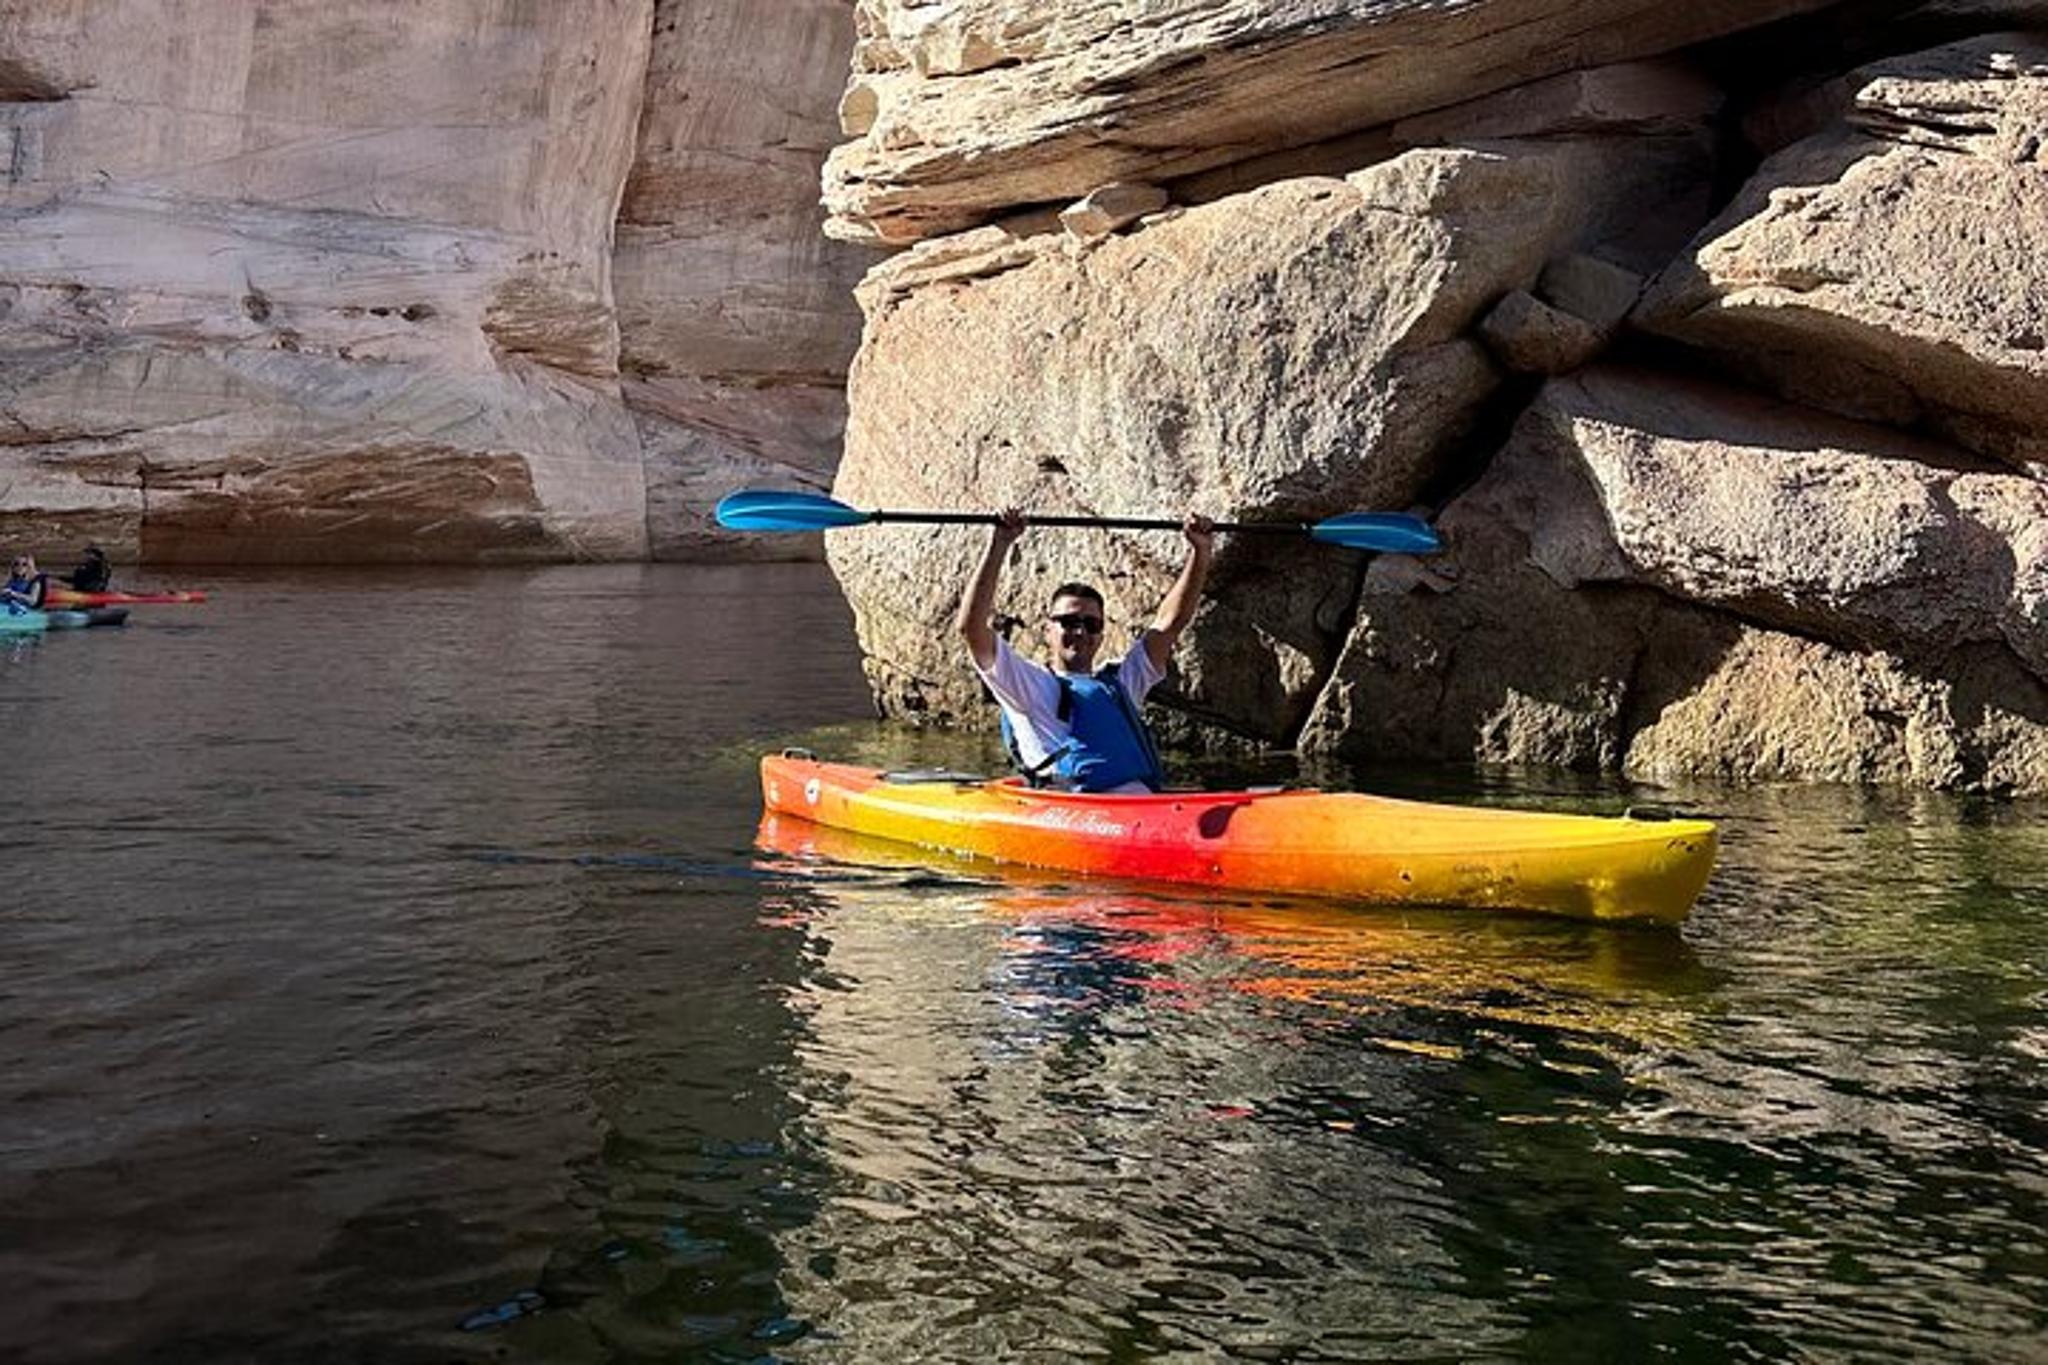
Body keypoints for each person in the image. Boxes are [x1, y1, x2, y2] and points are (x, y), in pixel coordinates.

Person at [957, 508, 1215, 793]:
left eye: (1091, 624)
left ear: (1101, 635)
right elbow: (972, 628)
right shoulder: (1029, 685)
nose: (1080, 631)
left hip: (1143, 805)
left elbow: (1169, 623)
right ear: (1047, 631)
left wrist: (1200, 552)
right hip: (1083, 812)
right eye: (1068, 622)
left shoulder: (1121, 683)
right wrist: (1000, 543)